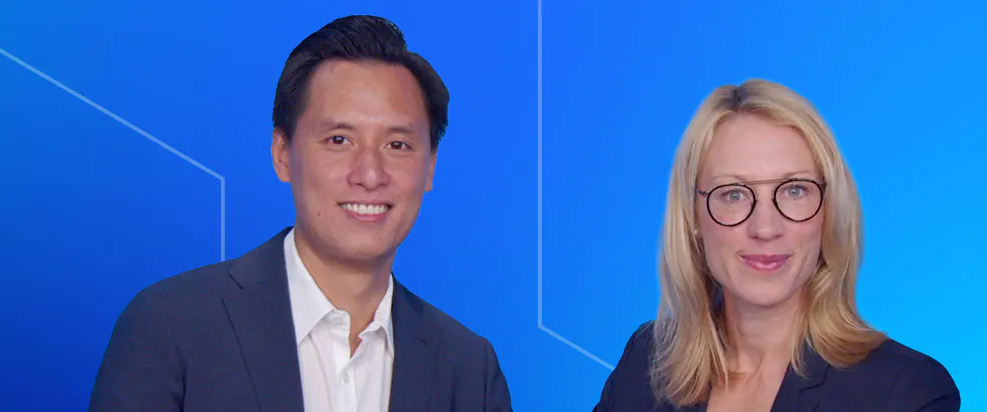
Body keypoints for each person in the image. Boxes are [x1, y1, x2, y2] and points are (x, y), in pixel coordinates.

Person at [88, 15, 512, 412]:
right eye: (339, 139)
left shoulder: (469, 369)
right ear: (282, 154)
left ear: (430, 167)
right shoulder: (171, 326)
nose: (370, 174)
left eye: (397, 145)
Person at [592, 79, 959, 411]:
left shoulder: (907, 393)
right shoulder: (646, 363)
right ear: (693, 218)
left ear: (829, 212)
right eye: (733, 194)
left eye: (794, 190)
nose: (765, 228)